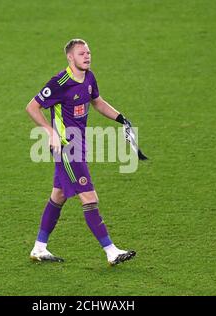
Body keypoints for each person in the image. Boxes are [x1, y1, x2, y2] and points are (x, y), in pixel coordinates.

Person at [26, 39, 136, 265]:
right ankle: (111, 251)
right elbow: (32, 106)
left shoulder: (89, 77)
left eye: (88, 52)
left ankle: (39, 248)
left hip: (80, 145)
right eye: (81, 53)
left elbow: (98, 102)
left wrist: (121, 118)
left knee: (59, 194)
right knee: (89, 196)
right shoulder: (60, 82)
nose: (87, 56)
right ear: (70, 57)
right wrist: (49, 131)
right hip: (67, 147)